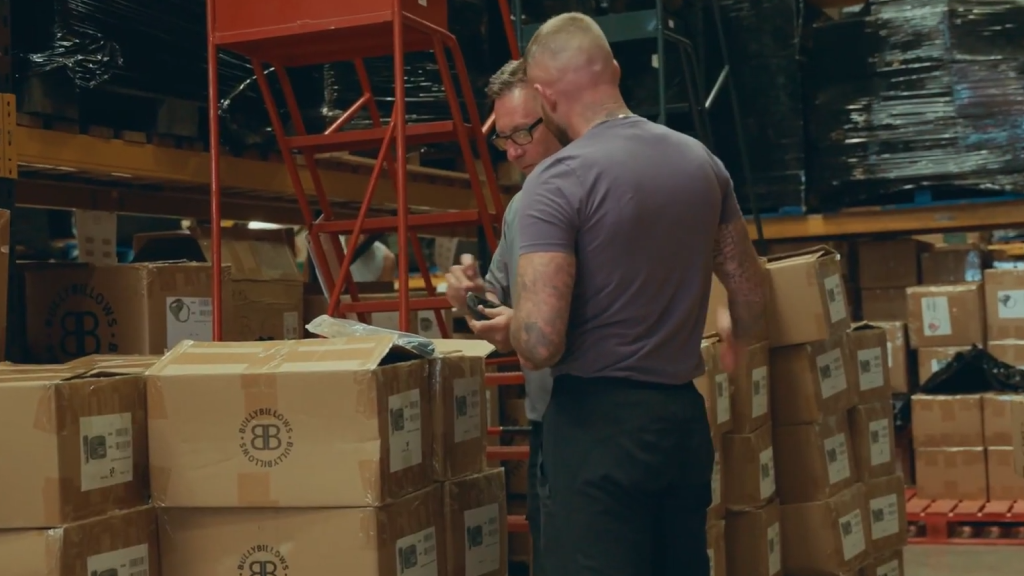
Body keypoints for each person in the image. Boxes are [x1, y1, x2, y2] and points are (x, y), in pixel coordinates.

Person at [507, 12, 768, 576]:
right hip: (678, 420)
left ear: (544, 95)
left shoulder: (556, 182)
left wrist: (506, 322)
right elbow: (749, 293)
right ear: (616, 70)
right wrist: (737, 340)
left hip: (596, 428)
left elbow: (540, 342)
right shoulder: (700, 162)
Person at [443, 58, 563, 576]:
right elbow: (495, 299)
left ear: (557, 111)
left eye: (522, 134)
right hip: (549, 424)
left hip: (599, 416)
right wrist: (467, 295)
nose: (513, 153)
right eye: (502, 140)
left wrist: (524, 323)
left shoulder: (592, 190)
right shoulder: (521, 208)